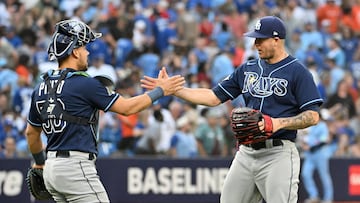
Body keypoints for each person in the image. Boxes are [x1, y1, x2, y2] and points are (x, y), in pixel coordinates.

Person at [142, 16, 323, 203]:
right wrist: (175, 90)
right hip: (247, 152)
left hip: (278, 153)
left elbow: (312, 115)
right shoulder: (248, 68)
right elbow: (213, 97)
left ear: (276, 40)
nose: (256, 44)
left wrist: (277, 123)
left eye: (261, 39)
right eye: (255, 39)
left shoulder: (298, 72)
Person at [24, 19, 184, 202]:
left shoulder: (41, 87)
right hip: (75, 167)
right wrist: (161, 90)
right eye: (84, 47)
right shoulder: (85, 83)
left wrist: (39, 162)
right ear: (75, 51)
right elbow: (127, 108)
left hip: (52, 168)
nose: (87, 52)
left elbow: (31, 133)